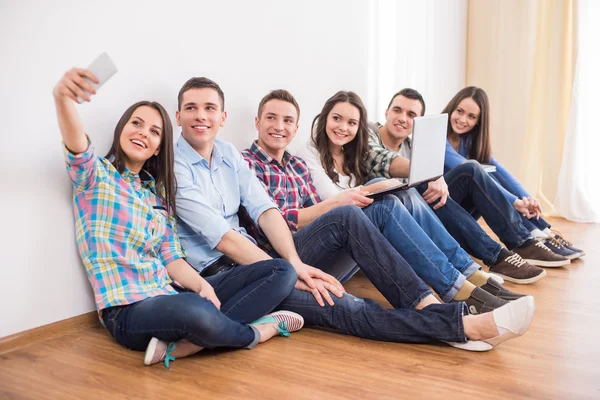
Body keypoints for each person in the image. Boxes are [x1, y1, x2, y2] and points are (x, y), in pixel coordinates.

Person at [240, 87, 536, 351]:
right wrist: (342, 201)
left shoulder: (295, 165)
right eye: (271, 118)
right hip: (278, 258)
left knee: (390, 202)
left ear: (296, 127)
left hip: (315, 256)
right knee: (352, 217)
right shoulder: (246, 164)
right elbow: (274, 220)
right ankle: (449, 304)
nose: (279, 127)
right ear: (257, 122)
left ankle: (461, 286)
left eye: (287, 121)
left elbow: (317, 209)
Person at [54, 67, 303, 368]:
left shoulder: (157, 196)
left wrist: (202, 287)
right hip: (128, 309)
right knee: (195, 312)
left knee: (281, 271)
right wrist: (63, 98)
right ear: (122, 128)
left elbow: (172, 258)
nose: (143, 133)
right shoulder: (96, 177)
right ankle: (259, 331)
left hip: (170, 292)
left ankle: (191, 344)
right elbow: (78, 148)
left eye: (154, 131)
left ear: (159, 146)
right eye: (136, 124)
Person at [291, 90, 524, 310]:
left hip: (353, 243)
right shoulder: (309, 151)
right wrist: (385, 184)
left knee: (403, 191)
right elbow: (336, 201)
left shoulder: (352, 154)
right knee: (388, 196)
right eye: (337, 119)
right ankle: (460, 283)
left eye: (351, 123)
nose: (343, 127)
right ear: (324, 118)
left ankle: (467, 274)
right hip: (325, 243)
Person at [367, 89, 569, 282]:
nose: (403, 118)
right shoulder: (368, 133)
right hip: (392, 218)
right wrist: (429, 173)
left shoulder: (415, 146)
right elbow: (381, 158)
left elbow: (502, 173)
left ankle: (522, 241)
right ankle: (497, 255)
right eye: (397, 110)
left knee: (472, 170)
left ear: (417, 122)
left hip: (427, 216)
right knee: (424, 185)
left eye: (411, 114)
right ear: (386, 112)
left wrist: (522, 201)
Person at [443, 86, 584, 260]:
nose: (462, 120)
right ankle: (532, 235)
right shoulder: (440, 138)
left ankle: (542, 231)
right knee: (478, 170)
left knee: (492, 171)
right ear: (452, 108)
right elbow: (469, 170)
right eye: (460, 111)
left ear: (479, 121)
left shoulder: (468, 140)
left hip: (462, 209)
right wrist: (515, 202)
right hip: (443, 209)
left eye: (471, 116)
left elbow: (502, 172)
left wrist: (528, 198)